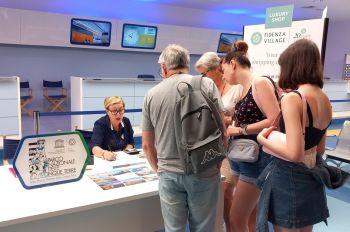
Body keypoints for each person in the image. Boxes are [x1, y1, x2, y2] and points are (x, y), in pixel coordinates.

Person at [142, 44, 225, 232]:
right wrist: (217, 161)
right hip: (204, 168)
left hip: (169, 173)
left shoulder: (151, 95)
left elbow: (147, 145)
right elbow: (223, 129)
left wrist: (160, 170)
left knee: (174, 229)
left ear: (164, 68)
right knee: (203, 227)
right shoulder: (207, 84)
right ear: (187, 64)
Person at [256, 39, 333, 232]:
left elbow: (294, 153)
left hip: (288, 177)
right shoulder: (325, 99)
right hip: (312, 176)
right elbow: (320, 149)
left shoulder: (293, 98)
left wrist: (262, 139)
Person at [221, 40, 280, 232]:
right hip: (242, 155)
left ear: (233, 64)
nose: (223, 76)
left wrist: (240, 129)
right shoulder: (243, 88)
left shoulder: (260, 82)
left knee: (236, 218)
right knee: (248, 214)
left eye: (224, 70)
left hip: (256, 158)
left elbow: (274, 120)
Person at [195, 51, 242, 232]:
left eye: (204, 73)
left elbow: (242, 117)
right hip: (212, 146)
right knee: (216, 193)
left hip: (232, 146)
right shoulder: (207, 88)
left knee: (226, 192)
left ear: (216, 69)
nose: (202, 77)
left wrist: (225, 120)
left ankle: (232, 228)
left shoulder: (235, 88)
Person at [91, 96, 134, 161]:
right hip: (106, 162)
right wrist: (104, 153)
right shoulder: (100, 124)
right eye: (114, 111)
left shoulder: (126, 122)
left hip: (123, 161)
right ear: (107, 111)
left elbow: (131, 143)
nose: (118, 114)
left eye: (121, 110)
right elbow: (94, 148)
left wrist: (125, 152)